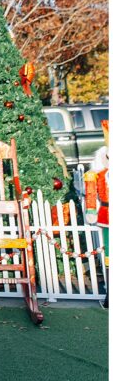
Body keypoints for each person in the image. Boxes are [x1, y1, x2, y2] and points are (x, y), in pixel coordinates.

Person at [85, 119, 109, 308]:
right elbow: (92, 193)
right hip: (107, 215)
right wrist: (91, 209)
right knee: (109, 254)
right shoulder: (98, 174)